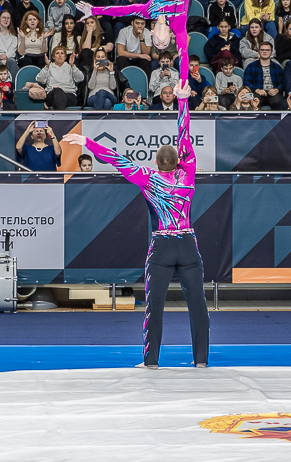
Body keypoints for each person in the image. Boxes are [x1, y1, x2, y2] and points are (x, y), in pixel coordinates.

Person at [63, 80, 208, 369]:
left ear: (156, 163)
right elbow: (185, 135)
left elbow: (117, 159)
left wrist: (87, 143)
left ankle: (151, 361)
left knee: (154, 306)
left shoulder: (148, 177)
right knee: (198, 305)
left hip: (163, 246)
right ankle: (201, 360)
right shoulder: (188, 174)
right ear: (179, 160)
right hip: (188, 244)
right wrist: (182, 102)